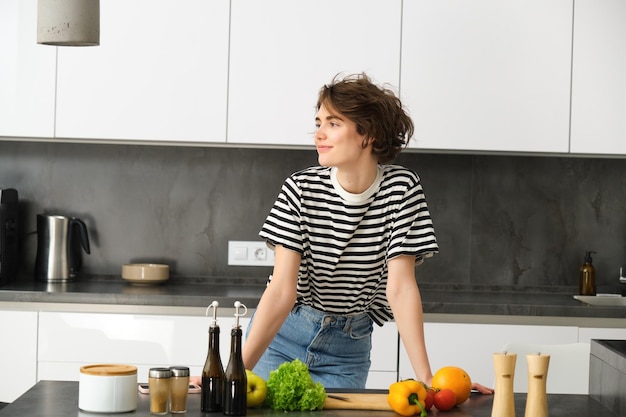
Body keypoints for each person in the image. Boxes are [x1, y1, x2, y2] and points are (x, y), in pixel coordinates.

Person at [243, 73, 492, 393]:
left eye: (333, 123)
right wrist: (231, 374)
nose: (318, 134)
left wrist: (427, 379)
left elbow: (400, 288)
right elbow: (280, 292)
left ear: (368, 133)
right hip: (281, 338)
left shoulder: (402, 189)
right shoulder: (300, 189)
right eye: (318, 122)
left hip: (346, 351)